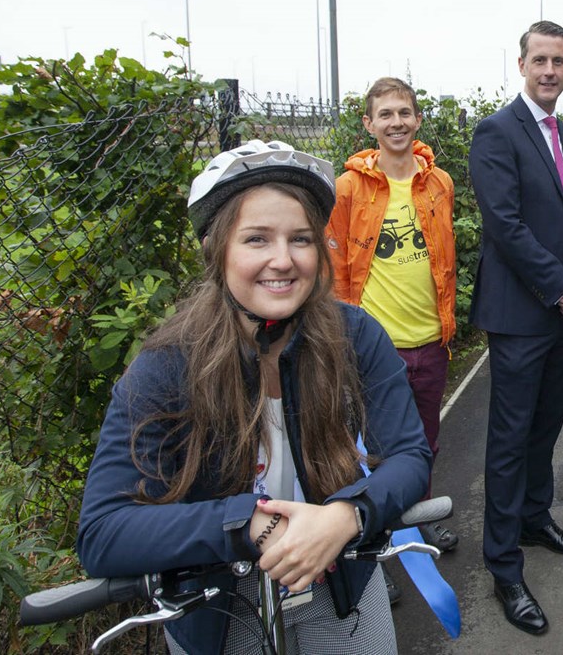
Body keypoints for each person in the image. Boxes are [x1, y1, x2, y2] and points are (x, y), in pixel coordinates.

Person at [77, 140, 432, 655]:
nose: (282, 261)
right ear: (218, 250)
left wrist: (347, 515)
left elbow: (409, 455)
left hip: (340, 582)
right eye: (257, 239)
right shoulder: (168, 364)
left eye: (301, 239)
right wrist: (246, 523)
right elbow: (104, 531)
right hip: (220, 605)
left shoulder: (355, 336)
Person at [468, 21, 563, 636]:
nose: (550, 70)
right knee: (510, 438)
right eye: (540, 60)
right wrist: (558, 284)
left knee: (546, 426)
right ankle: (503, 565)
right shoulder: (496, 132)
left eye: (560, 61)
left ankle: (535, 518)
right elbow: (505, 225)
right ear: (521, 64)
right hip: (521, 316)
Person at [326, 77, 460, 560]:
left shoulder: (438, 182)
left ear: (417, 119)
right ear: (369, 124)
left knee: (424, 443)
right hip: (375, 349)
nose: (396, 122)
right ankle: (375, 541)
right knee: (370, 450)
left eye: (404, 112)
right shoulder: (347, 189)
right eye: (385, 114)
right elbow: (337, 270)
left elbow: (445, 259)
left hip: (431, 340)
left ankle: (418, 524)